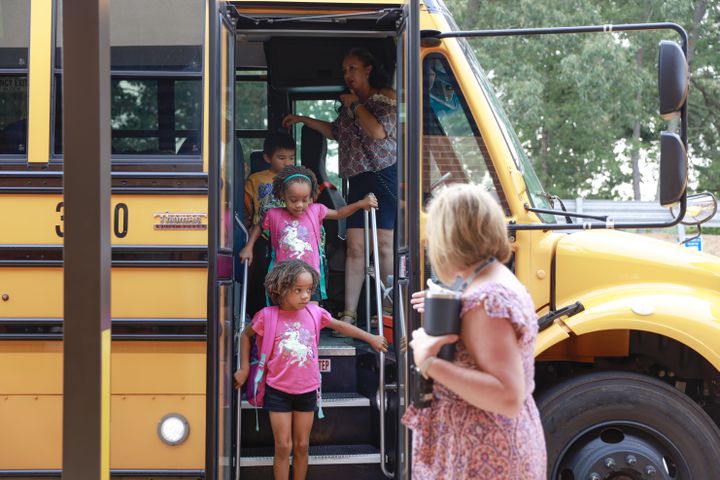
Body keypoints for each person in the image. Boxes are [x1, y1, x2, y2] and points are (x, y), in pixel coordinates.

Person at [402, 184, 546, 479]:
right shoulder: (492, 280)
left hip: (483, 455)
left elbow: (507, 396)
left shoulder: (487, 299)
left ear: (450, 237)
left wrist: (428, 361)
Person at [234, 259, 388, 480]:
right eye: (298, 290)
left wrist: (370, 337)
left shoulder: (315, 313)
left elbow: (341, 326)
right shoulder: (266, 316)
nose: (305, 296)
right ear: (280, 288)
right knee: (282, 446)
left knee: (302, 446)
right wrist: (244, 369)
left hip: (307, 390)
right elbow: (245, 336)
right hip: (277, 390)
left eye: (309, 290)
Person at [281, 47, 397, 327]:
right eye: (345, 70)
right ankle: (349, 313)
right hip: (357, 180)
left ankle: (387, 311)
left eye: (353, 68)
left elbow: (378, 132)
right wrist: (303, 119)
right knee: (355, 248)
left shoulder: (385, 98)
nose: (348, 75)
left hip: (383, 177)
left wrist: (355, 105)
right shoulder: (346, 107)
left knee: (383, 246)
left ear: (368, 69)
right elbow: (335, 132)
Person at [238, 165, 377, 301]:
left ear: (311, 197)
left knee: (312, 312)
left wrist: (360, 204)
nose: (299, 205)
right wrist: (249, 247)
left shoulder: (316, 210)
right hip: (283, 276)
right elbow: (259, 226)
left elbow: (339, 213)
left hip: (311, 275)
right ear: (282, 196)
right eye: (293, 200)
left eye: (305, 200)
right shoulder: (273, 214)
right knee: (284, 313)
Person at [244, 131, 296, 227]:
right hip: (262, 231)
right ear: (268, 158)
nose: (287, 163)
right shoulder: (255, 179)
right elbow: (246, 207)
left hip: (290, 230)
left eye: (291, 158)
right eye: (281, 158)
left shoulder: (298, 179)